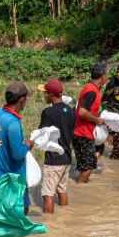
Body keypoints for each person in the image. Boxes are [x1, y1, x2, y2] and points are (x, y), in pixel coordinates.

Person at [0, 82, 34, 214]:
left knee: (7, 209)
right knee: (21, 212)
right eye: (26, 97)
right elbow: (17, 154)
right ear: (22, 99)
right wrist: (28, 144)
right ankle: (12, 235)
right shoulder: (14, 123)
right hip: (15, 175)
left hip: (1, 170)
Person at [37, 80, 75, 213]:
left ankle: (49, 223)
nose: (44, 96)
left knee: (47, 194)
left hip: (53, 160)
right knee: (62, 191)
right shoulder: (71, 111)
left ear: (50, 95)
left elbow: (42, 134)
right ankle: (63, 217)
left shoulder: (48, 112)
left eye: (45, 93)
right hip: (66, 158)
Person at [73, 63, 108, 184]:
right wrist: (96, 120)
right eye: (107, 74)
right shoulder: (91, 91)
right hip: (82, 133)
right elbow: (82, 112)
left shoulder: (92, 88)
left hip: (83, 132)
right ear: (103, 76)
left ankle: (80, 184)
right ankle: (80, 189)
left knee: (86, 164)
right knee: (89, 166)